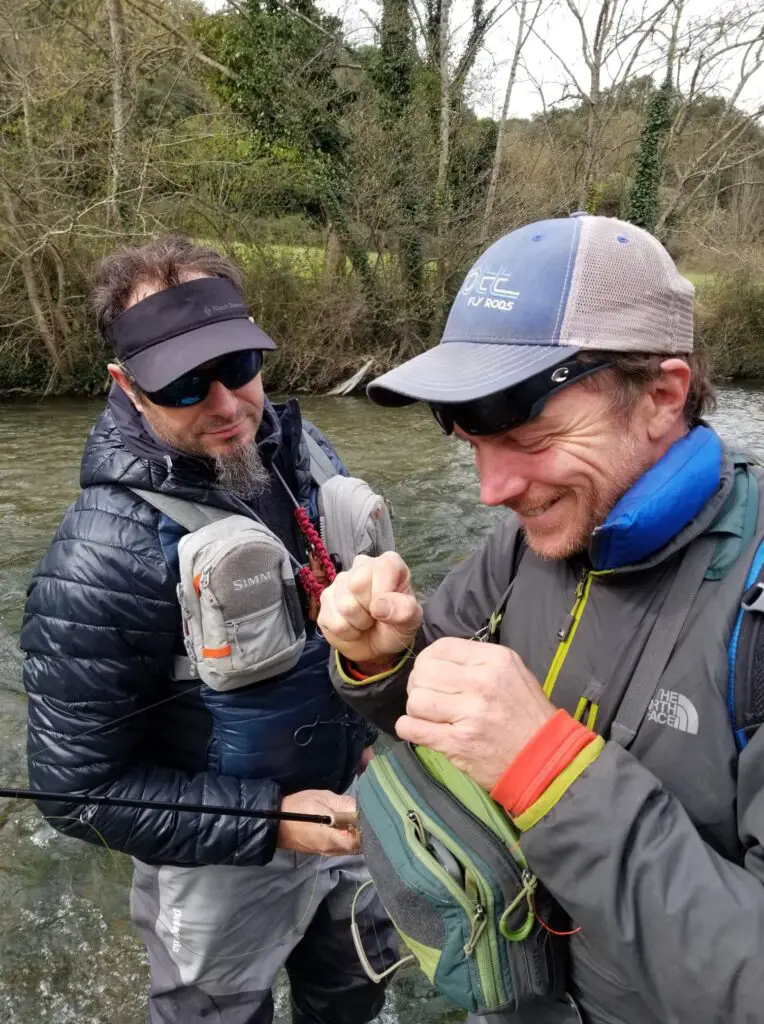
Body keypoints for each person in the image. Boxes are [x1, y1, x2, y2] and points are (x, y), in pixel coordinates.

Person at [318, 212, 764, 1023]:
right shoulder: (533, 537)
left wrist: (553, 775)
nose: (492, 488)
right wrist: (386, 664)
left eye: (529, 435)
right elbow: (440, 723)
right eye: (470, 440)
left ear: (663, 394)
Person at [21, 236, 395, 1024]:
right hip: (223, 860)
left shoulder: (304, 452)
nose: (227, 405)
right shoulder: (97, 558)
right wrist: (270, 824)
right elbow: (75, 793)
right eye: (186, 384)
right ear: (126, 386)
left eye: (239, 367)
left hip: (360, 809)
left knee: (354, 993)